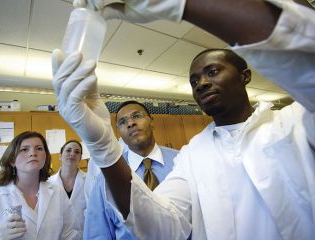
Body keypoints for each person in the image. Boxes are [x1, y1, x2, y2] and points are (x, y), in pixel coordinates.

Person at [52, 0, 315, 239]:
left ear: (245, 76)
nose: (201, 84)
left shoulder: (295, 121)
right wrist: (104, 148)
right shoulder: (193, 154)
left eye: (212, 72)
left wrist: (183, 4)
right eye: (194, 81)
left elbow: (306, 57)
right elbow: (162, 227)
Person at [0, 131, 79, 239]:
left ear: (45, 157)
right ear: (12, 160)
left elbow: (70, 234)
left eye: (39, 148)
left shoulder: (58, 193)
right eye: (24, 149)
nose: (33, 153)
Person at [83, 100, 178, 239]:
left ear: (152, 121)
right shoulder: (108, 177)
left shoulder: (181, 161)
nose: (130, 123)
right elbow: (97, 234)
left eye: (137, 116)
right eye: (122, 122)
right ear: (119, 133)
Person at [48, 140, 86, 239]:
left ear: (80, 158)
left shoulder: (90, 181)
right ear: (60, 156)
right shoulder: (48, 184)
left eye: (77, 152)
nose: (72, 153)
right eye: (68, 150)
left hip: (84, 235)